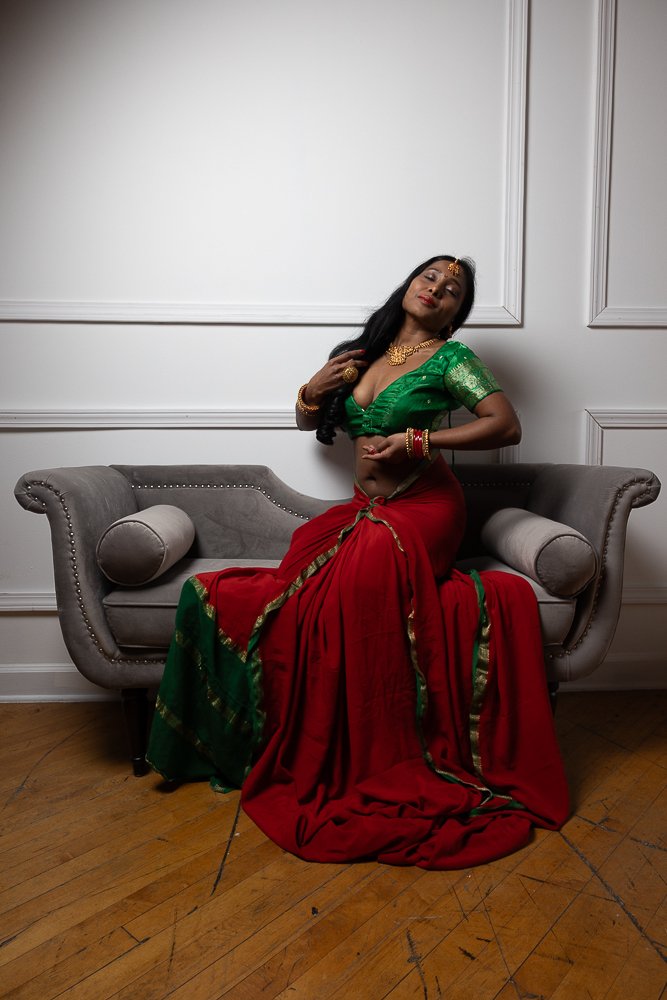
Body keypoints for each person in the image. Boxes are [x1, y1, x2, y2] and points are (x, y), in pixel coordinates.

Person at [147, 255, 569, 870]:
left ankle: (370, 758)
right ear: (409, 285)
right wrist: (311, 391)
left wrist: (420, 440)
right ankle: (304, 737)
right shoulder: (359, 355)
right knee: (293, 591)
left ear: (458, 312)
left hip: (425, 508)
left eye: (453, 290)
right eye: (430, 278)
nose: (438, 289)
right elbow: (306, 421)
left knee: (353, 582)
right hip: (363, 508)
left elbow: (506, 426)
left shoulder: (452, 359)